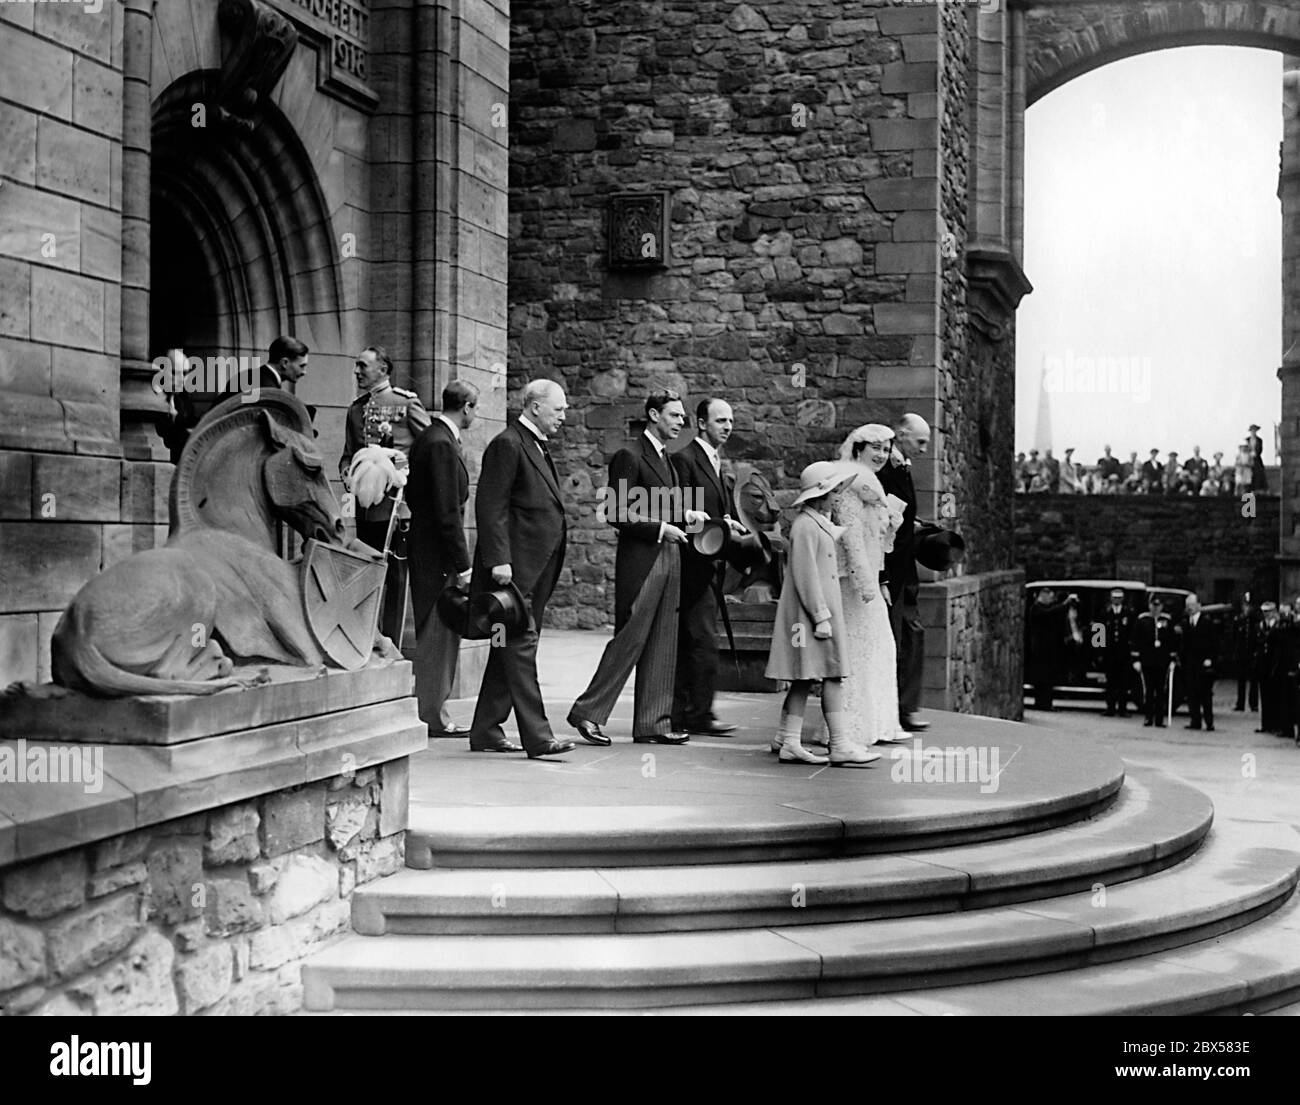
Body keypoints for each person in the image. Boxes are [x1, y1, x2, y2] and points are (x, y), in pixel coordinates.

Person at [567, 389, 709, 747]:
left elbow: (661, 506)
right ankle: (588, 713)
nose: (681, 422)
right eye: (675, 415)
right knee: (631, 638)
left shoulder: (668, 459)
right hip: (644, 559)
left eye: (682, 417)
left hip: (670, 554)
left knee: (663, 639)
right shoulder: (628, 455)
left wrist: (688, 515)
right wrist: (662, 528)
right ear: (653, 415)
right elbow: (615, 512)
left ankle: (653, 723)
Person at [465, 379, 575, 759]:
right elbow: (490, 505)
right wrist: (498, 561)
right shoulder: (508, 444)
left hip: (534, 567)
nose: (564, 415)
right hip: (513, 573)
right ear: (534, 407)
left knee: (505, 645)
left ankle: (485, 729)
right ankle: (538, 737)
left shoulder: (534, 444)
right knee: (521, 645)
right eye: (558, 409)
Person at [765, 462, 878, 767]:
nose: (838, 497)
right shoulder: (805, 526)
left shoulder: (815, 523)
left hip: (816, 614)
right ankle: (837, 744)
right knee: (827, 674)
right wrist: (820, 616)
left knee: (810, 675)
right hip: (811, 616)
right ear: (820, 495)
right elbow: (805, 575)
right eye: (833, 492)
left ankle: (786, 738)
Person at [340, 345, 431, 648]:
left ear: (383, 369)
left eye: (362, 366)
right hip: (364, 507)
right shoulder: (355, 408)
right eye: (355, 366)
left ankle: (391, 639)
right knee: (364, 566)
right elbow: (348, 455)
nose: (356, 372)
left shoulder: (405, 403)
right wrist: (347, 473)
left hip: (396, 506)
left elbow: (432, 448)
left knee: (393, 575)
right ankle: (366, 636)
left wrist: (405, 471)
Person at [670, 397, 748, 736]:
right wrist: (720, 525)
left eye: (730, 421)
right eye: (720, 421)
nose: (727, 427)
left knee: (699, 640)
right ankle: (695, 713)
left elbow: (718, 509)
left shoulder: (716, 461)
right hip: (693, 564)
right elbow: (682, 513)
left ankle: (691, 711)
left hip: (712, 563)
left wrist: (730, 522)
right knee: (700, 641)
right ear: (701, 423)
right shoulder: (685, 459)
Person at [407, 379, 478, 738]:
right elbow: (448, 512)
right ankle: (434, 715)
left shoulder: (432, 438)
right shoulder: (440, 444)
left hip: (429, 553)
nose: (473, 416)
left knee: (437, 635)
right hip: (438, 559)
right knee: (438, 637)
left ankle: (433, 710)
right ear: (465, 407)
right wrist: (463, 565)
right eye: (473, 409)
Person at [832, 425, 906, 748]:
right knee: (860, 651)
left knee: (880, 648)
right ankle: (851, 726)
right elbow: (851, 538)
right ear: (858, 448)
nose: (881, 455)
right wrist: (866, 583)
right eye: (875, 448)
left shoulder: (871, 483)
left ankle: (879, 722)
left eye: (886, 449)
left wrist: (890, 523)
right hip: (852, 580)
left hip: (871, 576)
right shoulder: (849, 483)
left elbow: (877, 543)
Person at [878, 412, 931, 733]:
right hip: (890, 570)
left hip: (904, 568)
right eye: (920, 441)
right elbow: (882, 522)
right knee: (894, 638)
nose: (925, 449)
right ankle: (896, 708)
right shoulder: (886, 468)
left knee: (911, 634)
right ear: (901, 434)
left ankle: (906, 707)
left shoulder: (902, 466)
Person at [1025, 586, 1073, 711]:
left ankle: (1046, 703)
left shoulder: (1047, 608)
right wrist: (1064, 604)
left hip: (1049, 650)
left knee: (1048, 680)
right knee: (1041, 680)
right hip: (1039, 650)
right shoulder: (1036, 609)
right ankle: (1042, 703)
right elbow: (1049, 613)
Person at [1133, 595, 1176, 727]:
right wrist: (1136, 659)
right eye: (1153, 605)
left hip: (1162, 661)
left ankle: (1159, 719)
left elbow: (1172, 641)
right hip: (1147, 660)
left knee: (1161, 691)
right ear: (1149, 606)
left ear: (1162, 607)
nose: (1155, 608)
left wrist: (1172, 659)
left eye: (1158, 606)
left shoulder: (1167, 620)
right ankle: (1148, 717)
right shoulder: (1142, 620)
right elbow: (1136, 640)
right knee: (1148, 691)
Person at [1179, 594, 1217, 732]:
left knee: (1205, 694)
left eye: (1192, 605)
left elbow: (1214, 643)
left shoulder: (1206, 622)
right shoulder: (1186, 623)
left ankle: (1209, 722)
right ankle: (1195, 720)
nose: (1190, 608)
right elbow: (1184, 644)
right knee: (1192, 693)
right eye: (1188, 605)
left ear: (1199, 606)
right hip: (1190, 663)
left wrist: (1210, 659)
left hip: (1203, 663)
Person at [1101, 588, 1134, 717]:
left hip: (1123, 653)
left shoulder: (1129, 613)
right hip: (1109, 653)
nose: (1116, 600)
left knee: (1123, 682)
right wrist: (1099, 652)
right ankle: (1110, 708)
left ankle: (1122, 708)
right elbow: (1098, 632)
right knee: (1110, 682)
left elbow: (1132, 633)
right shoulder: (1104, 613)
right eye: (1114, 598)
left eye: (1119, 598)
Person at [1233, 593, 1259, 712]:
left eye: (1248, 606)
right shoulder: (1239, 620)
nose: (1246, 608)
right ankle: (1240, 703)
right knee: (1241, 680)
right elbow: (1234, 637)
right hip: (1242, 653)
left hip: (1252, 653)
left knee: (1253, 680)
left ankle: (1253, 703)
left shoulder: (1256, 620)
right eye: (1245, 606)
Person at [1248, 423, 1268, 492]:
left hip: (1256, 458)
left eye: (1255, 430)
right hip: (1249, 459)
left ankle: (1258, 489)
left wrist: (1255, 453)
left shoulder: (1259, 440)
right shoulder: (1247, 440)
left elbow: (1260, 449)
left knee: (1259, 472)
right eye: (1252, 431)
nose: (1253, 432)